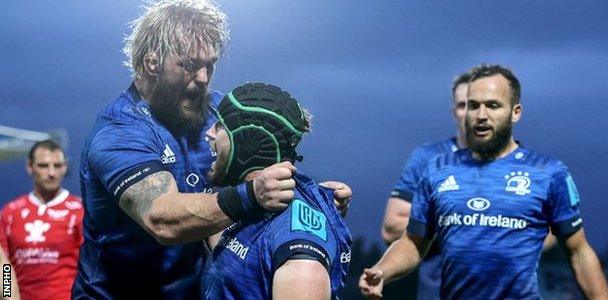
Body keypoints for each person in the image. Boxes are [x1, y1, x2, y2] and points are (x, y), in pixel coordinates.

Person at [72, 1, 351, 299]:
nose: (204, 78)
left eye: (211, 64)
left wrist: (311, 200)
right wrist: (254, 194)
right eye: (190, 65)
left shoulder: (216, 110)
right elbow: (162, 219)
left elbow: (259, 166)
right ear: (152, 63)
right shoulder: (119, 131)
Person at [360, 64, 608, 299]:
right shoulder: (437, 170)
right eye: (473, 105)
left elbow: (579, 252)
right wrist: (383, 270)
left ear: (515, 112)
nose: (481, 115)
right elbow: (412, 244)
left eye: (492, 105)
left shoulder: (549, 173)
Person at [202, 82, 351, 300]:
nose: (209, 133)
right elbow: (243, 254)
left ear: (248, 141)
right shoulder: (257, 204)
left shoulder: (299, 246)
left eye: (220, 126)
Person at [380, 72, 469, 299]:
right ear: (454, 112)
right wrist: (467, 222)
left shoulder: (529, 167)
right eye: (463, 105)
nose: (473, 113)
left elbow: (547, 228)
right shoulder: (428, 158)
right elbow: (392, 226)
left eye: (483, 104)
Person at [0, 140, 83, 300]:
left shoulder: (79, 210)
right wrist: (9, 296)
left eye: (58, 166)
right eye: (43, 166)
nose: (51, 173)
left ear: (65, 167)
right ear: (30, 167)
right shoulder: (10, 213)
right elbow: (4, 267)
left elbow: (92, 267)